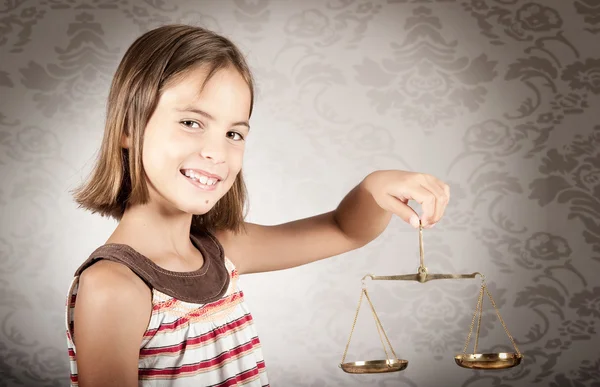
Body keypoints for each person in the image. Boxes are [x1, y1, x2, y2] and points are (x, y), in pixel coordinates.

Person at [65, 24, 450, 387]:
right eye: (191, 123)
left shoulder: (221, 251)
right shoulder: (114, 287)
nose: (217, 152)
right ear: (128, 129)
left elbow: (343, 229)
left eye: (234, 133)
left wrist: (375, 185)